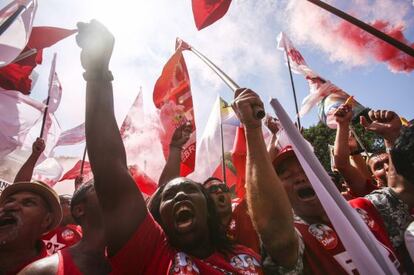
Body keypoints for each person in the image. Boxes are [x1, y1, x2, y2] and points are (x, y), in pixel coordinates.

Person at [75, 19, 262, 274]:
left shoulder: (247, 256)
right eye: (169, 196)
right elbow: (110, 169)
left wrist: (254, 128)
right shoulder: (152, 255)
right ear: (159, 219)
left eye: (189, 189)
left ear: (208, 209)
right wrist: (98, 74)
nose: (180, 195)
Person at [231, 88, 408, 274]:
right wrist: (252, 129)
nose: (300, 177)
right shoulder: (297, 240)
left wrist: (393, 137)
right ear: (278, 191)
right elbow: (274, 230)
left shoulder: (364, 208)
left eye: (306, 169)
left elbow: (401, 189)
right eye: (286, 174)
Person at [20, 181, 111, 274]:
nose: (112, 192)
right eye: (97, 188)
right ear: (79, 210)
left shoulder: (122, 263)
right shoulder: (42, 270)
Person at [0, 180, 62, 274]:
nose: (10, 206)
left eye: (28, 203)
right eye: (9, 201)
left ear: (47, 220)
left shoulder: (53, 271)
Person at [203, 177, 261, 254]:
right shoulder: (203, 231)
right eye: (212, 189)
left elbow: (257, 183)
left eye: (224, 187)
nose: (220, 191)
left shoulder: (244, 209)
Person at [333, 104, 378, 197]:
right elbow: (342, 165)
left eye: (389, 163)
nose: (386, 167)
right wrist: (342, 124)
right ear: (374, 176)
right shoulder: (374, 196)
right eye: (379, 167)